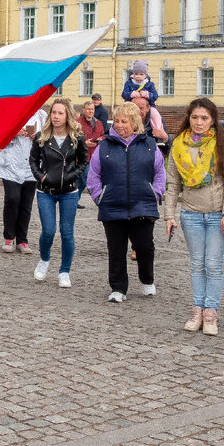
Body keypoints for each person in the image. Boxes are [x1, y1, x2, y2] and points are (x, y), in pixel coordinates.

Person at [163, 98, 224, 336]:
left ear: (213, 119)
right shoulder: (179, 144)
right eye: (195, 117)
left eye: (204, 118)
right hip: (191, 213)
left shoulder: (222, 143)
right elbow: (173, 183)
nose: (199, 122)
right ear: (189, 118)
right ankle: (197, 310)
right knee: (197, 264)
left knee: (213, 265)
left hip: (217, 214)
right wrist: (169, 215)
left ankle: (211, 313)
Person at [86, 102, 165, 303]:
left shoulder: (149, 145)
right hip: (113, 204)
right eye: (117, 120)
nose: (120, 125)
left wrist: (155, 193)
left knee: (144, 246)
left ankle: (147, 279)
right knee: (116, 248)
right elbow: (94, 174)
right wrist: (100, 196)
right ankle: (118, 288)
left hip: (143, 204)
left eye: (125, 121)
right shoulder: (104, 145)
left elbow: (160, 173)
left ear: (135, 122)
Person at [29, 99, 87, 287]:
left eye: (60, 113)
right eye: (54, 112)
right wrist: (41, 177)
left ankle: (64, 271)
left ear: (67, 115)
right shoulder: (42, 136)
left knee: (66, 231)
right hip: (46, 190)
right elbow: (33, 161)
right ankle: (44, 259)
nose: (56, 116)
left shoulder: (76, 137)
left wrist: (72, 176)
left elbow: (83, 161)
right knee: (48, 230)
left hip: (69, 191)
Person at [0, 108, 45, 254]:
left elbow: (48, 138)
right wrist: (13, 133)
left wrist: (37, 137)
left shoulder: (42, 115)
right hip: (10, 165)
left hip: (31, 166)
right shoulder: (12, 110)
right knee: (12, 198)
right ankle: (9, 237)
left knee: (26, 203)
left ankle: (22, 240)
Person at [76, 100, 106, 200]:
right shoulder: (77, 123)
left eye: (92, 109)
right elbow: (72, 139)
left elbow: (102, 136)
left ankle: (74, 200)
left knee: (80, 183)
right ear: (83, 110)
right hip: (80, 157)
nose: (90, 111)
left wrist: (99, 140)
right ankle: (99, 199)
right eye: (88, 109)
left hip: (94, 156)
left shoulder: (99, 123)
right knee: (87, 180)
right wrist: (84, 143)